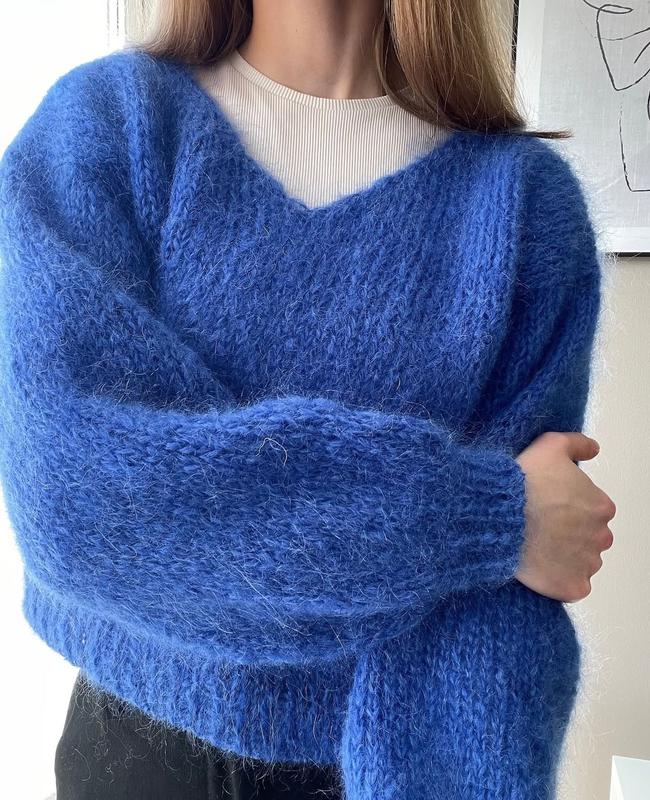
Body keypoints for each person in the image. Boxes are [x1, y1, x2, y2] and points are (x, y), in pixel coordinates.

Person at [0, 1, 617, 798]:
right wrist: (489, 517)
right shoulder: (108, 126)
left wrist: (502, 532)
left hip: (397, 758)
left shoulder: (525, 206)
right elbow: (76, 493)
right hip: (140, 760)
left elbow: (502, 609)